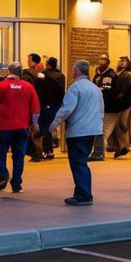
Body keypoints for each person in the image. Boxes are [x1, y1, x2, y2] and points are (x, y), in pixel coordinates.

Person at [49, 59, 103, 206]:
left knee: (78, 163)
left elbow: (66, 109)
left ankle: (83, 194)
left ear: (77, 70)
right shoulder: (95, 89)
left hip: (78, 130)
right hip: (91, 130)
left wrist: (53, 125)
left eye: (73, 69)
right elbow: (101, 110)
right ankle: (82, 191)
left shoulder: (75, 88)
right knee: (82, 162)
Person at [0, 62, 40, 193]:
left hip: (3, 127)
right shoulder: (28, 87)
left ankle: (3, 175)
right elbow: (36, 109)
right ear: (20, 72)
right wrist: (35, 125)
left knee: (0, 153)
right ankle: (16, 184)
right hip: (22, 127)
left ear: (9, 71)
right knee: (19, 156)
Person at [36, 57, 66, 161]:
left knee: (45, 127)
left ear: (48, 65)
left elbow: (40, 89)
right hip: (57, 104)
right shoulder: (62, 76)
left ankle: (47, 150)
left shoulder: (44, 74)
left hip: (46, 104)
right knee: (51, 126)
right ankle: (49, 149)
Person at [91, 53, 116, 161]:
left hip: (108, 107)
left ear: (108, 62)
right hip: (99, 106)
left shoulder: (110, 74)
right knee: (101, 130)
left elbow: (107, 90)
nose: (101, 61)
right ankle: (99, 151)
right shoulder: (97, 74)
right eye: (100, 59)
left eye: (104, 59)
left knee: (103, 131)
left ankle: (100, 152)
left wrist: (97, 90)